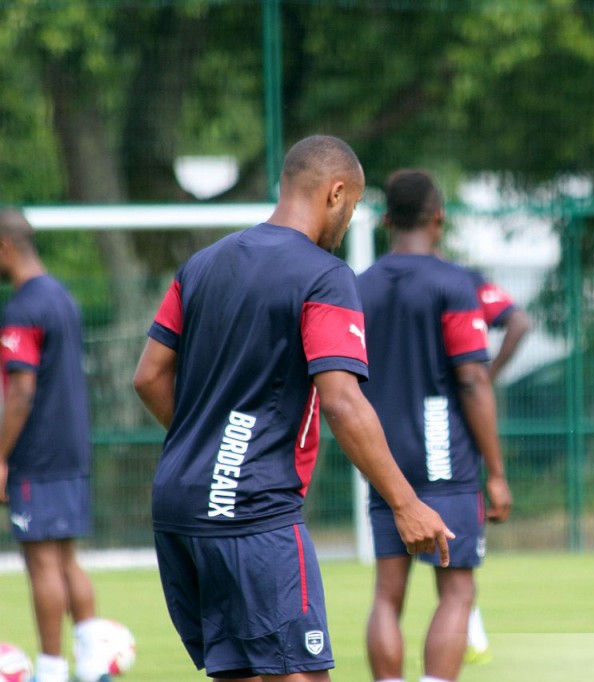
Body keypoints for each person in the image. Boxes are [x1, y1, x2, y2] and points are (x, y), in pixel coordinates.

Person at [132, 135, 453, 682]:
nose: (348, 221)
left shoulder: (202, 264)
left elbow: (148, 375)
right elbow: (342, 401)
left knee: (241, 674)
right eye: (351, 208)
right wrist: (405, 503)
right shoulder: (324, 276)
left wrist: (208, 447)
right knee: (299, 674)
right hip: (255, 512)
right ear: (335, 194)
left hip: (178, 507)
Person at [358, 169, 512, 682]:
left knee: (387, 592)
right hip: (444, 457)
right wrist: (495, 472)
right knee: (457, 589)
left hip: (384, 456)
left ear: (385, 221)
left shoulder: (359, 286)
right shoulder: (452, 282)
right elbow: (471, 380)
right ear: (439, 218)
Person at [0, 210, 111, 682]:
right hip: (71, 448)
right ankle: (91, 660)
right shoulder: (63, 299)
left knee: (41, 561)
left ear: (5, 248)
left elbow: (22, 391)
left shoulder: (22, 309)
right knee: (65, 559)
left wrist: (0, 456)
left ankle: (50, 669)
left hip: (38, 453)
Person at [461, 268, 530, 664]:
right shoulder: (460, 281)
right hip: (455, 424)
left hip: (400, 424)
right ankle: (471, 632)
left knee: (391, 574)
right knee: (457, 541)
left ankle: (471, 631)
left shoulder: (379, 280)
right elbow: (519, 321)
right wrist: (488, 376)